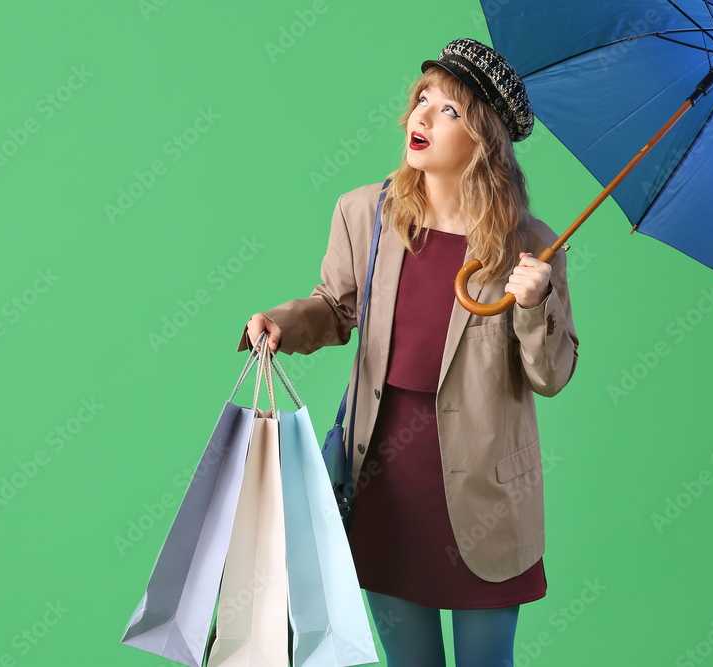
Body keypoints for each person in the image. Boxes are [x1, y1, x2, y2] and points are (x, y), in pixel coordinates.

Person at [237, 38, 579, 667]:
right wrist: (281, 323)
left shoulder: (530, 247)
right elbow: (336, 309)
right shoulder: (365, 212)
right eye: (423, 99)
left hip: (485, 496)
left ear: (484, 141)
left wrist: (537, 301)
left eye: (448, 110)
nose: (421, 117)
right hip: (384, 481)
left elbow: (550, 375)